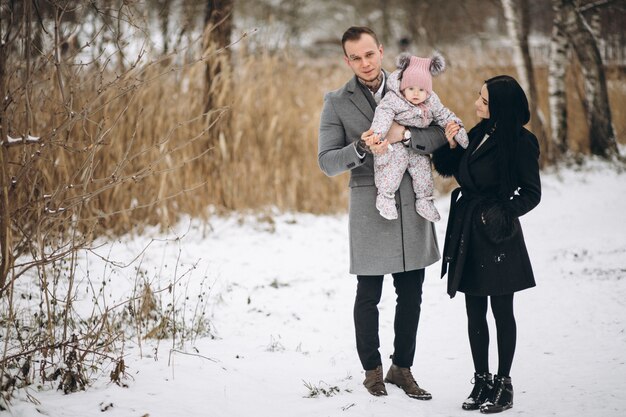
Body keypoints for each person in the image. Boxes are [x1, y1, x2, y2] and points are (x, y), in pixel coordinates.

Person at [317, 26, 447, 399]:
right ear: (346, 60)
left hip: (412, 201)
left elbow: (440, 131)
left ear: (382, 51)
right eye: (355, 57)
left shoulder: (413, 84)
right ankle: (372, 371)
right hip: (369, 204)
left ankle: (401, 368)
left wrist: (404, 136)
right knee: (368, 293)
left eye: (369, 54)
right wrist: (360, 147)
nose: (364, 63)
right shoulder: (336, 101)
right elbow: (326, 162)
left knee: (412, 292)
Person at [432, 75, 541, 413]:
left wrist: (501, 213)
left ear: (501, 108)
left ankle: (504, 385)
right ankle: (482, 381)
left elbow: (532, 193)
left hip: (497, 234)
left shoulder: (521, 142)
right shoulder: (477, 132)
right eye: (479, 96)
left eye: (484, 100)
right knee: (474, 309)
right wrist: (450, 147)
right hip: (468, 230)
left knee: (501, 310)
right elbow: (453, 170)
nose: (477, 103)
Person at [370, 52, 469, 222]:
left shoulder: (431, 102)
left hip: (416, 144)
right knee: (393, 166)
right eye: (411, 89)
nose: (416, 94)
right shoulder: (394, 99)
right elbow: (383, 114)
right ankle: (385, 197)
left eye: (421, 90)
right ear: (403, 88)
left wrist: (459, 131)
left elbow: (444, 115)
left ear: (428, 90)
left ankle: (424, 200)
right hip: (395, 146)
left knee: (423, 169)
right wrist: (377, 133)